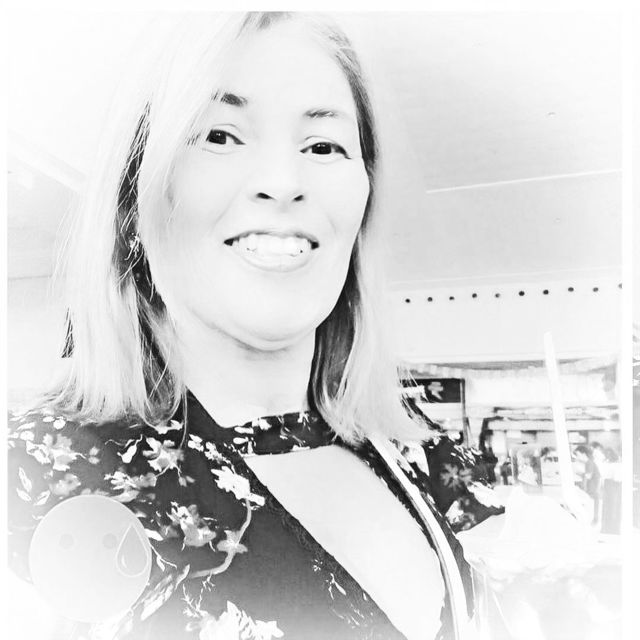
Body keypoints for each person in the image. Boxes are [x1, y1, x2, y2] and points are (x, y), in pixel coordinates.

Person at [7, 12, 503, 640]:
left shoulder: (422, 454)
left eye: (323, 146)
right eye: (219, 135)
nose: (282, 183)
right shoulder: (30, 480)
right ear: (135, 199)